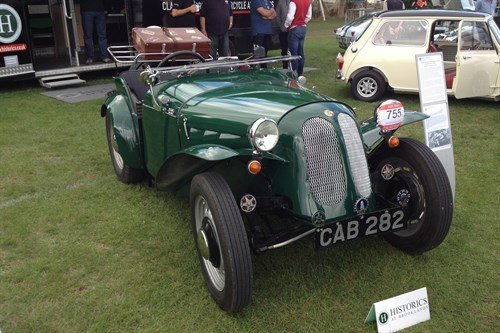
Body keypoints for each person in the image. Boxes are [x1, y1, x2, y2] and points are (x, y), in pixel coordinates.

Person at [284, 0, 312, 76]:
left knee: (294, 53)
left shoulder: (293, 2)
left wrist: (286, 25)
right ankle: (300, 72)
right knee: (300, 51)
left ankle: (294, 72)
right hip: (303, 27)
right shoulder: (308, 2)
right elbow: (308, 16)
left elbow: (290, 16)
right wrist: (303, 22)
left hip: (294, 28)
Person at [80, 0, 111, 65]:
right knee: (91, 35)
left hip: (93, 10)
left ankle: (94, 57)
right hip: (90, 10)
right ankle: (92, 57)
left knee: (94, 35)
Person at [275, 0, 291, 69]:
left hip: (292, 30)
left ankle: (294, 66)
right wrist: (281, 26)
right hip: (283, 30)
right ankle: (285, 66)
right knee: (284, 49)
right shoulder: (281, 2)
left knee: (293, 48)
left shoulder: (294, 1)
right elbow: (277, 15)